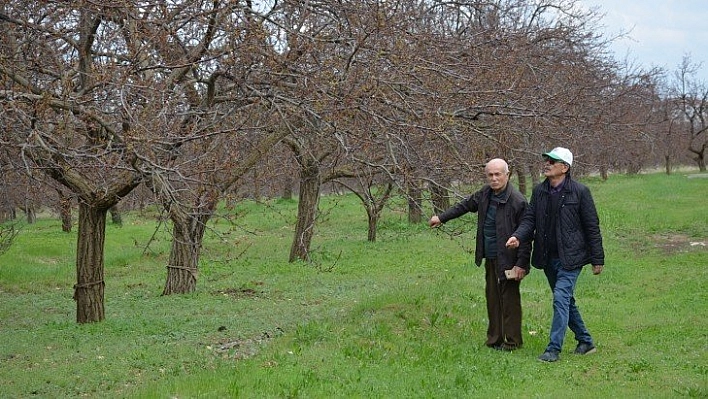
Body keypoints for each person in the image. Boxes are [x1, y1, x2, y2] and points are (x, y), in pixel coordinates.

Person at [505, 147, 605, 362]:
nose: (547, 164)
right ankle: (585, 342)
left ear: (565, 168)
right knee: (566, 301)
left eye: (552, 161)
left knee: (560, 298)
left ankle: (553, 349)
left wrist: (597, 259)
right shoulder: (540, 191)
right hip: (548, 257)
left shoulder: (580, 192)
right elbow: (529, 219)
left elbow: (592, 226)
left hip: (572, 257)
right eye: (547, 160)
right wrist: (518, 236)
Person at [430, 158, 531, 351]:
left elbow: (526, 236)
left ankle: (512, 342)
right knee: (492, 298)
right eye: (490, 175)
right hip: (491, 256)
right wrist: (441, 218)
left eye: (498, 174)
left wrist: (522, 264)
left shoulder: (517, 201)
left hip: (510, 258)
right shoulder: (485, 194)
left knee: (509, 301)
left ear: (507, 175)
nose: (494, 179)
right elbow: (465, 205)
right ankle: (494, 339)